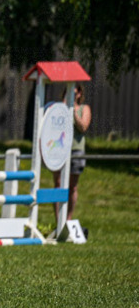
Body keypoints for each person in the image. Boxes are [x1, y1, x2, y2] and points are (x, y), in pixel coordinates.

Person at [54, 83, 91, 223]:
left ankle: (68, 219)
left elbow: (83, 127)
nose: (73, 96)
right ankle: (58, 220)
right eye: (70, 93)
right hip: (60, 149)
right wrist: (62, 109)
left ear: (80, 94)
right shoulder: (59, 108)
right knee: (58, 184)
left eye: (75, 94)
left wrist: (73, 111)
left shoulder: (84, 108)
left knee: (72, 186)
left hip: (76, 149)